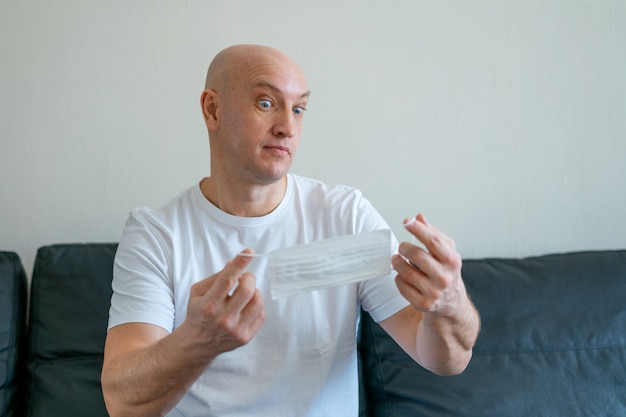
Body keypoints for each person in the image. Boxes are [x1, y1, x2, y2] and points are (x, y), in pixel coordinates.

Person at [101, 44, 480, 417]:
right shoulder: (156, 234)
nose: (287, 127)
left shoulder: (344, 217)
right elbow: (122, 404)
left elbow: (447, 360)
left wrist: (450, 305)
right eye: (266, 103)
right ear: (212, 109)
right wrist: (196, 342)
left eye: (298, 109)